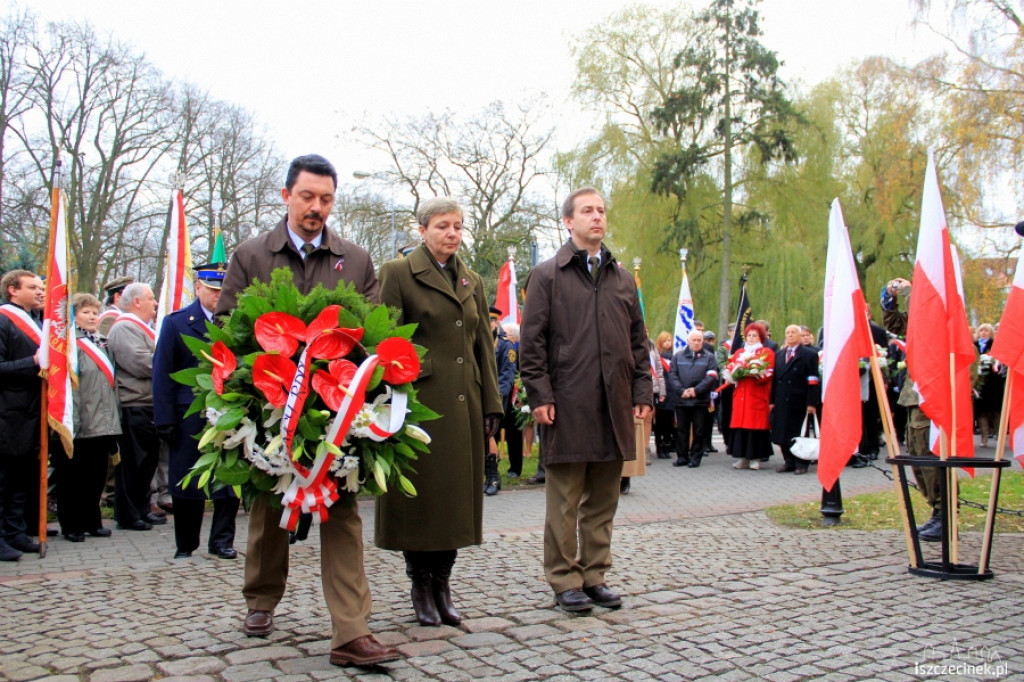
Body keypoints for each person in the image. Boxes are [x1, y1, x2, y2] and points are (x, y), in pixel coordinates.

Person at [215, 154, 397, 668]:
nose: (316, 208)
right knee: (270, 506)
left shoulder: (355, 260)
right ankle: (260, 598)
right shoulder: (252, 256)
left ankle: (351, 631)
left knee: (341, 514)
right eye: (307, 197)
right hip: (272, 406)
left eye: (326, 199)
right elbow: (229, 324)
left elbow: (373, 330)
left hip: (335, 411)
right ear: (286, 196)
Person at [520, 187, 653, 613]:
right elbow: (532, 343)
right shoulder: (546, 275)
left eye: (601, 211)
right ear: (568, 221)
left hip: (613, 403)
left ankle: (594, 574)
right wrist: (539, 393)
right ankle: (564, 579)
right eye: (587, 211)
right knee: (564, 500)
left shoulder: (622, 278)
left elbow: (638, 342)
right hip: (567, 404)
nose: (597, 217)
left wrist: (642, 390)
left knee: (603, 497)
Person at [375, 197, 502, 628]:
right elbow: (386, 339)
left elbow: (484, 344)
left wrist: (492, 406)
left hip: (465, 402)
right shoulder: (398, 273)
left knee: (454, 501)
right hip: (419, 406)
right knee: (422, 502)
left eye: (458, 226)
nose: (452, 233)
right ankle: (420, 584)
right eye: (443, 226)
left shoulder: (472, 280)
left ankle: (443, 583)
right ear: (422, 229)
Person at [152, 263, 240, 559]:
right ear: (198, 288)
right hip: (188, 415)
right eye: (213, 290)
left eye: (223, 290)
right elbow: (163, 373)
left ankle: (222, 541)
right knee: (186, 479)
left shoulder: (236, 322)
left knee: (228, 478)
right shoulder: (176, 323)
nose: (218, 296)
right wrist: (163, 418)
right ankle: (186, 544)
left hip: (230, 412)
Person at [52, 293, 121, 542]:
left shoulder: (101, 343)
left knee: (95, 475)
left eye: (94, 312)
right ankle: (71, 524)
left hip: (102, 422)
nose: (92, 317)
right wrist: (73, 423)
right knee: (73, 477)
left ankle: (92, 521)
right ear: (74, 316)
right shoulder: (70, 346)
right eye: (86, 312)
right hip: (79, 421)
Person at [881, 277, 942, 541]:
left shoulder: (941, 317)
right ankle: (936, 510)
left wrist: (912, 291)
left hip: (933, 393)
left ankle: (944, 512)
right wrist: (890, 296)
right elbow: (895, 323)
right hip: (914, 392)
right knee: (917, 453)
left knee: (930, 454)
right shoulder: (919, 319)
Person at [106, 282, 165, 532]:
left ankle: (141, 508)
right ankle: (128, 514)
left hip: (148, 403)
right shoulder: (124, 327)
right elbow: (141, 363)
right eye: (151, 298)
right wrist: (168, 362)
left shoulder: (142, 328)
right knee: (133, 462)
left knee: (147, 462)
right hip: (134, 403)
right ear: (136, 301)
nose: (155, 303)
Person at [0, 270, 46, 560]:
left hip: (31, 413)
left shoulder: (38, 322)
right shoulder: (4, 320)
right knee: (4, 480)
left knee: (20, 480)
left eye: (41, 287)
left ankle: (15, 532)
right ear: (13, 290)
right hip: (7, 414)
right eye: (33, 287)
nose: (41, 291)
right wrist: (31, 362)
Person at [769, 325, 820, 475]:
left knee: (798, 433)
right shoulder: (779, 355)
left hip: (799, 400)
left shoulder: (808, 354)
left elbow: (813, 380)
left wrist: (812, 402)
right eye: (787, 333)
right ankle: (788, 462)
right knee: (782, 432)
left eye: (793, 333)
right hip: (781, 400)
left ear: (800, 335)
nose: (790, 335)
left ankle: (801, 463)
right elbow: (774, 379)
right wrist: (772, 401)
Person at [666, 328, 719, 468]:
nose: (696, 343)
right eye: (694, 340)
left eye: (699, 340)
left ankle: (696, 457)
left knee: (699, 430)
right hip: (681, 400)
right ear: (688, 341)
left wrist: (696, 391)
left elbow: (711, 377)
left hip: (700, 400)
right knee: (681, 430)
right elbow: (672, 375)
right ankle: (682, 457)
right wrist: (681, 390)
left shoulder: (709, 357)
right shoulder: (678, 356)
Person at [726, 323, 775, 470]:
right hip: (741, 395)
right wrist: (733, 374)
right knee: (741, 428)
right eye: (749, 335)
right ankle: (742, 458)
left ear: (760, 337)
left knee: (755, 428)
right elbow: (730, 368)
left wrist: (753, 372)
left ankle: (756, 458)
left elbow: (768, 373)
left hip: (756, 395)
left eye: (754, 335)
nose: (751, 338)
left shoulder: (766, 352)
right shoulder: (739, 352)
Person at [486, 306, 517, 495]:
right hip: (480, 394)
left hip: (498, 396)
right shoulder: (479, 340)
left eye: (491, 320)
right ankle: (486, 473)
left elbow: (508, 374)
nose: (488, 324)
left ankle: (493, 476)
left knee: (490, 433)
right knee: (484, 434)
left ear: (496, 321)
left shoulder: (506, 344)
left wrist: (497, 396)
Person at [973, 323, 1004, 448]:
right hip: (980, 384)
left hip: (994, 382)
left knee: (996, 411)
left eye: (986, 331)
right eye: (981, 330)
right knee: (981, 412)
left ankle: (998, 434)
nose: (983, 333)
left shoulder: (995, 346)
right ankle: (984, 437)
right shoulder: (974, 346)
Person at [501, 321, 525, 480]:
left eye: (506, 335)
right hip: (501, 396)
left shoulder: (520, 350)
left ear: (514, 337)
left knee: (514, 436)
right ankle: (491, 468)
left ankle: (515, 468)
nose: (503, 337)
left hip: (514, 400)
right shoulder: (500, 347)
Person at [652, 331, 675, 459]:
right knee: (660, 423)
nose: (668, 343)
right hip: (662, 393)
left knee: (669, 423)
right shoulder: (657, 357)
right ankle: (659, 447)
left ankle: (667, 445)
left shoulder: (674, 357)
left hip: (672, 394)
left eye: (670, 340)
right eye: (665, 340)